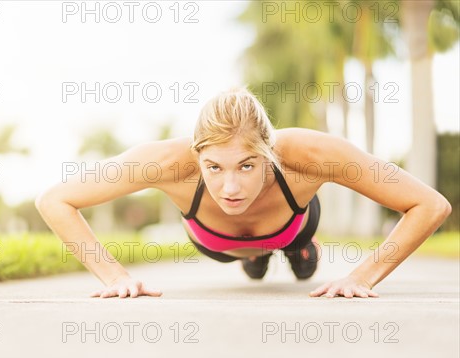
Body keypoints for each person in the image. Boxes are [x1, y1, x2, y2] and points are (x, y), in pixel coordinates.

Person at [35, 87, 452, 299]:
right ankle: (256, 260)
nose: (229, 188)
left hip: (293, 226)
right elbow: (54, 200)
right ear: (196, 155)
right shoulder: (164, 160)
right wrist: (116, 277)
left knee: (300, 252)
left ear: (270, 154)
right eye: (213, 168)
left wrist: (362, 277)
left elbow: (429, 204)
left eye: (248, 166)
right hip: (217, 243)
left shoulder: (311, 154)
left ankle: (297, 252)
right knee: (250, 260)